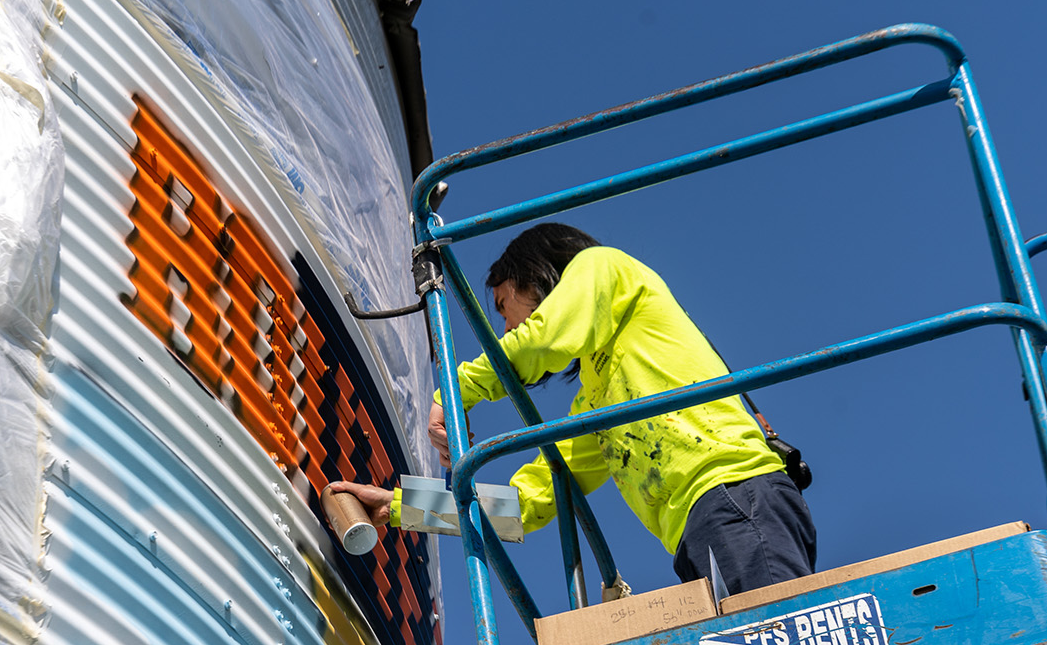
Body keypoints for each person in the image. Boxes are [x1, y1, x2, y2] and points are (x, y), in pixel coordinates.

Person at [329, 223, 816, 596]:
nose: (504, 329)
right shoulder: (599, 403)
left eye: (503, 305)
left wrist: (456, 389)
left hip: (735, 495)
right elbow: (532, 502)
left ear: (537, 275)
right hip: (700, 528)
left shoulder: (604, 267)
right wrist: (400, 507)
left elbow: (544, 337)